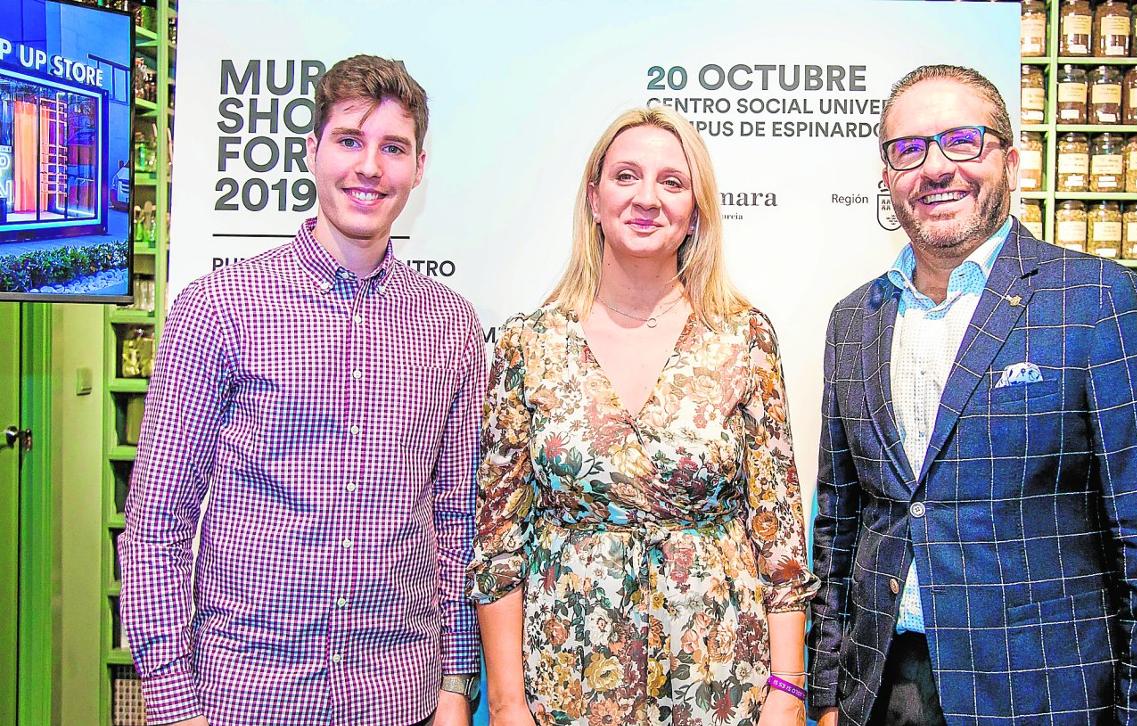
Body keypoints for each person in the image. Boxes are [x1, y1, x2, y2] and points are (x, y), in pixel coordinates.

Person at [807, 64, 1137, 726]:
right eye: (907, 150)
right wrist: (828, 693)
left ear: (1012, 161)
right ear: (887, 177)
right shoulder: (855, 319)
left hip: (1046, 695)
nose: (935, 168)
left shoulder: (1099, 301)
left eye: (962, 141)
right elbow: (840, 524)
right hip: (883, 690)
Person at [118, 55, 485, 726]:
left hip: (396, 697)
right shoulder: (218, 307)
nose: (369, 167)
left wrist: (456, 682)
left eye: (392, 148)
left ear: (419, 168)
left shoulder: (451, 325)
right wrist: (173, 703)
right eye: (350, 140)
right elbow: (156, 524)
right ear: (313, 151)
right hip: (248, 695)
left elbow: (457, 521)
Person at [467, 105, 818, 726]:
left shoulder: (742, 339)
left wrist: (787, 696)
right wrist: (506, 701)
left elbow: (780, 536)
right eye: (626, 176)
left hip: (721, 678)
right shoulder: (529, 343)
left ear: (696, 214)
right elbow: (499, 541)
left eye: (672, 182)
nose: (647, 198)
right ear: (593, 199)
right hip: (566, 683)